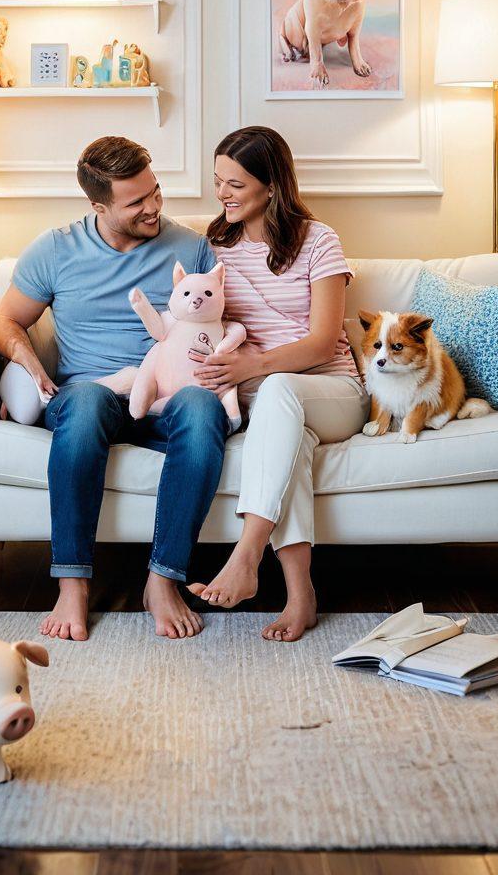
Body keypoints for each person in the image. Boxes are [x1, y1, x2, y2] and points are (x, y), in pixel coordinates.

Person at [0, 136, 230, 642]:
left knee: (203, 408)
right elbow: (4, 320)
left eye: (156, 192)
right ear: (98, 205)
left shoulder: (191, 247)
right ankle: (72, 585)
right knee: (86, 401)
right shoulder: (56, 250)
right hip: (90, 395)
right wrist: (27, 356)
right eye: (136, 202)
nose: (153, 207)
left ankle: (163, 580)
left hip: (164, 396)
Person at [188, 126, 368, 641]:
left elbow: (321, 342)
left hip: (332, 392)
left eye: (235, 184)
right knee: (289, 448)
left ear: (272, 186)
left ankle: (245, 558)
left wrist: (252, 367)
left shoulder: (319, 241)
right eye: (217, 181)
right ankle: (300, 596)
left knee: (280, 391)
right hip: (270, 404)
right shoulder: (214, 246)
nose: (221, 193)